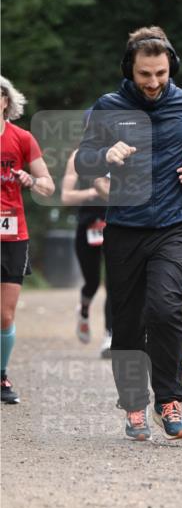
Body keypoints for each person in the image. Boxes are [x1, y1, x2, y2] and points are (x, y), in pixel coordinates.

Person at [75, 27, 182, 440]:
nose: (153, 83)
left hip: (174, 225)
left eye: (160, 73)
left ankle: (169, 401)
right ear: (129, 70)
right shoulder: (109, 106)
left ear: (171, 67)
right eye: (144, 75)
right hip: (125, 228)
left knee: (165, 308)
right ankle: (134, 405)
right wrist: (105, 154)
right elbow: (83, 162)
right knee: (129, 319)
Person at [0, 76, 55, 403]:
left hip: (12, 234)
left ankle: (1, 375)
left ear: (5, 100)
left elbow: (48, 186)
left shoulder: (21, 139)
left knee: (5, 315)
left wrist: (30, 179)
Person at [61, 146, 113, 357]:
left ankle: (110, 335)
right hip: (88, 226)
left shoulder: (120, 153)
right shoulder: (77, 156)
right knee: (91, 282)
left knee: (114, 283)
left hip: (115, 225)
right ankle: (83, 311)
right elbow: (66, 196)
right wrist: (94, 190)